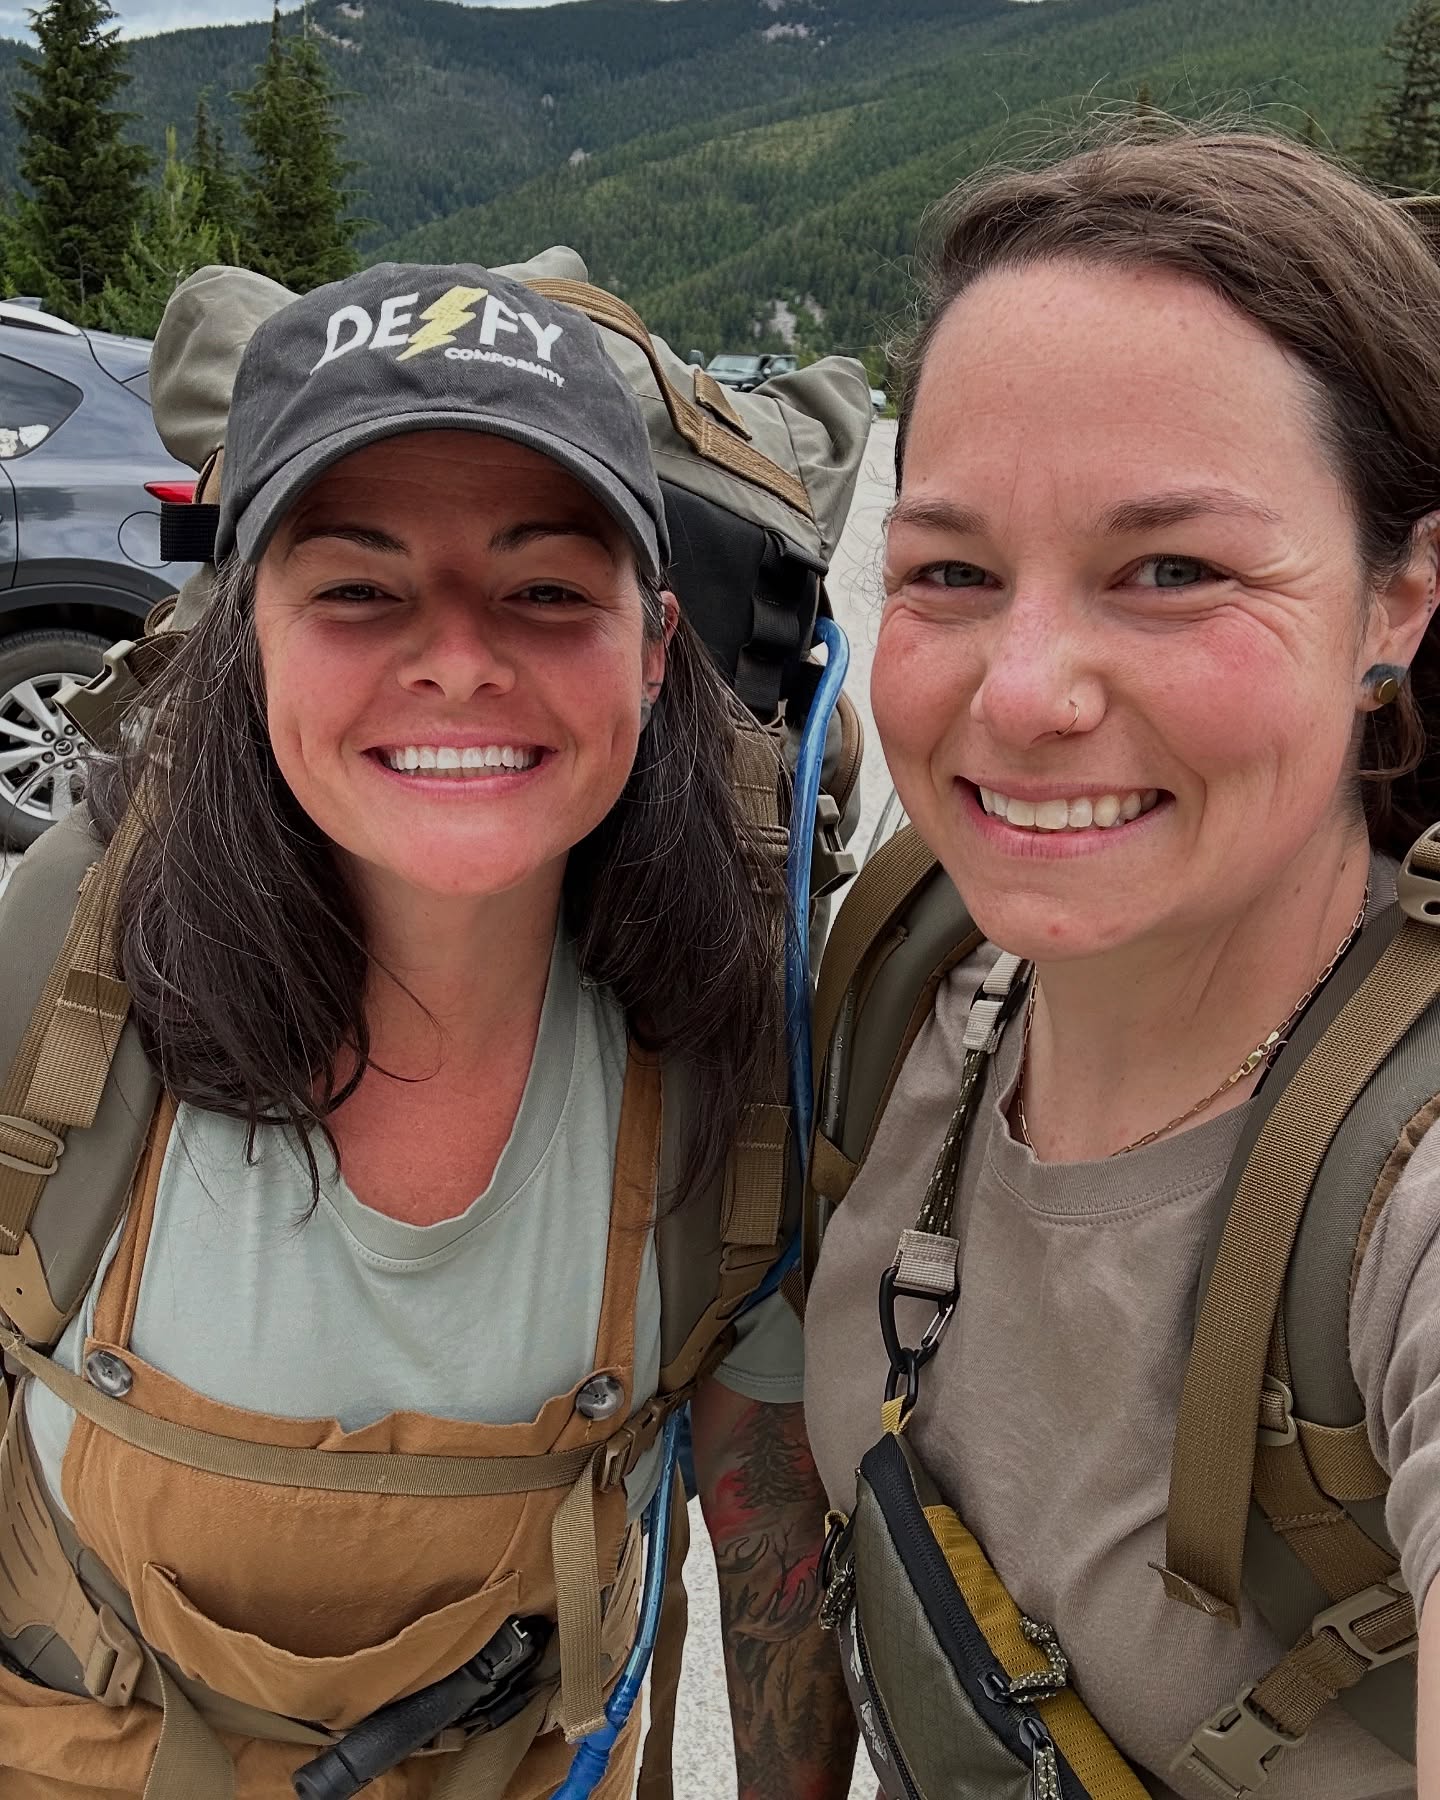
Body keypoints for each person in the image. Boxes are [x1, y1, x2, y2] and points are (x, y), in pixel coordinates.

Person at [0, 262, 856, 1797]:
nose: (458, 655)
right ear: (245, 629)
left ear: (654, 645)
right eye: (356, 586)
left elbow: (769, 1521)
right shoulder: (56, 986)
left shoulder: (736, 1038)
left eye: (542, 588)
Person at [804, 129, 1440, 1799]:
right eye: (949, 570)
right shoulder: (911, 975)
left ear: (1401, 602)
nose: (1023, 693)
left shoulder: (1407, 1205)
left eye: (1170, 570)